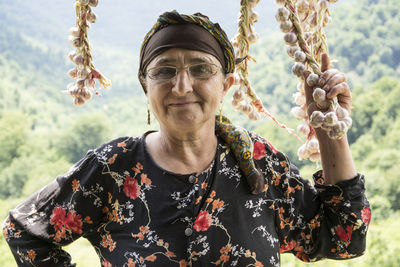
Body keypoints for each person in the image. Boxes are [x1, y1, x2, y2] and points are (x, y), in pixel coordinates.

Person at [3, 10, 370, 267]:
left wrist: (330, 132)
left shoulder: (259, 163)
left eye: (200, 68)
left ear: (225, 85)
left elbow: (343, 237)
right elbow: (25, 229)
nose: (182, 85)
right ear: (146, 87)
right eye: (164, 71)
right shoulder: (113, 169)